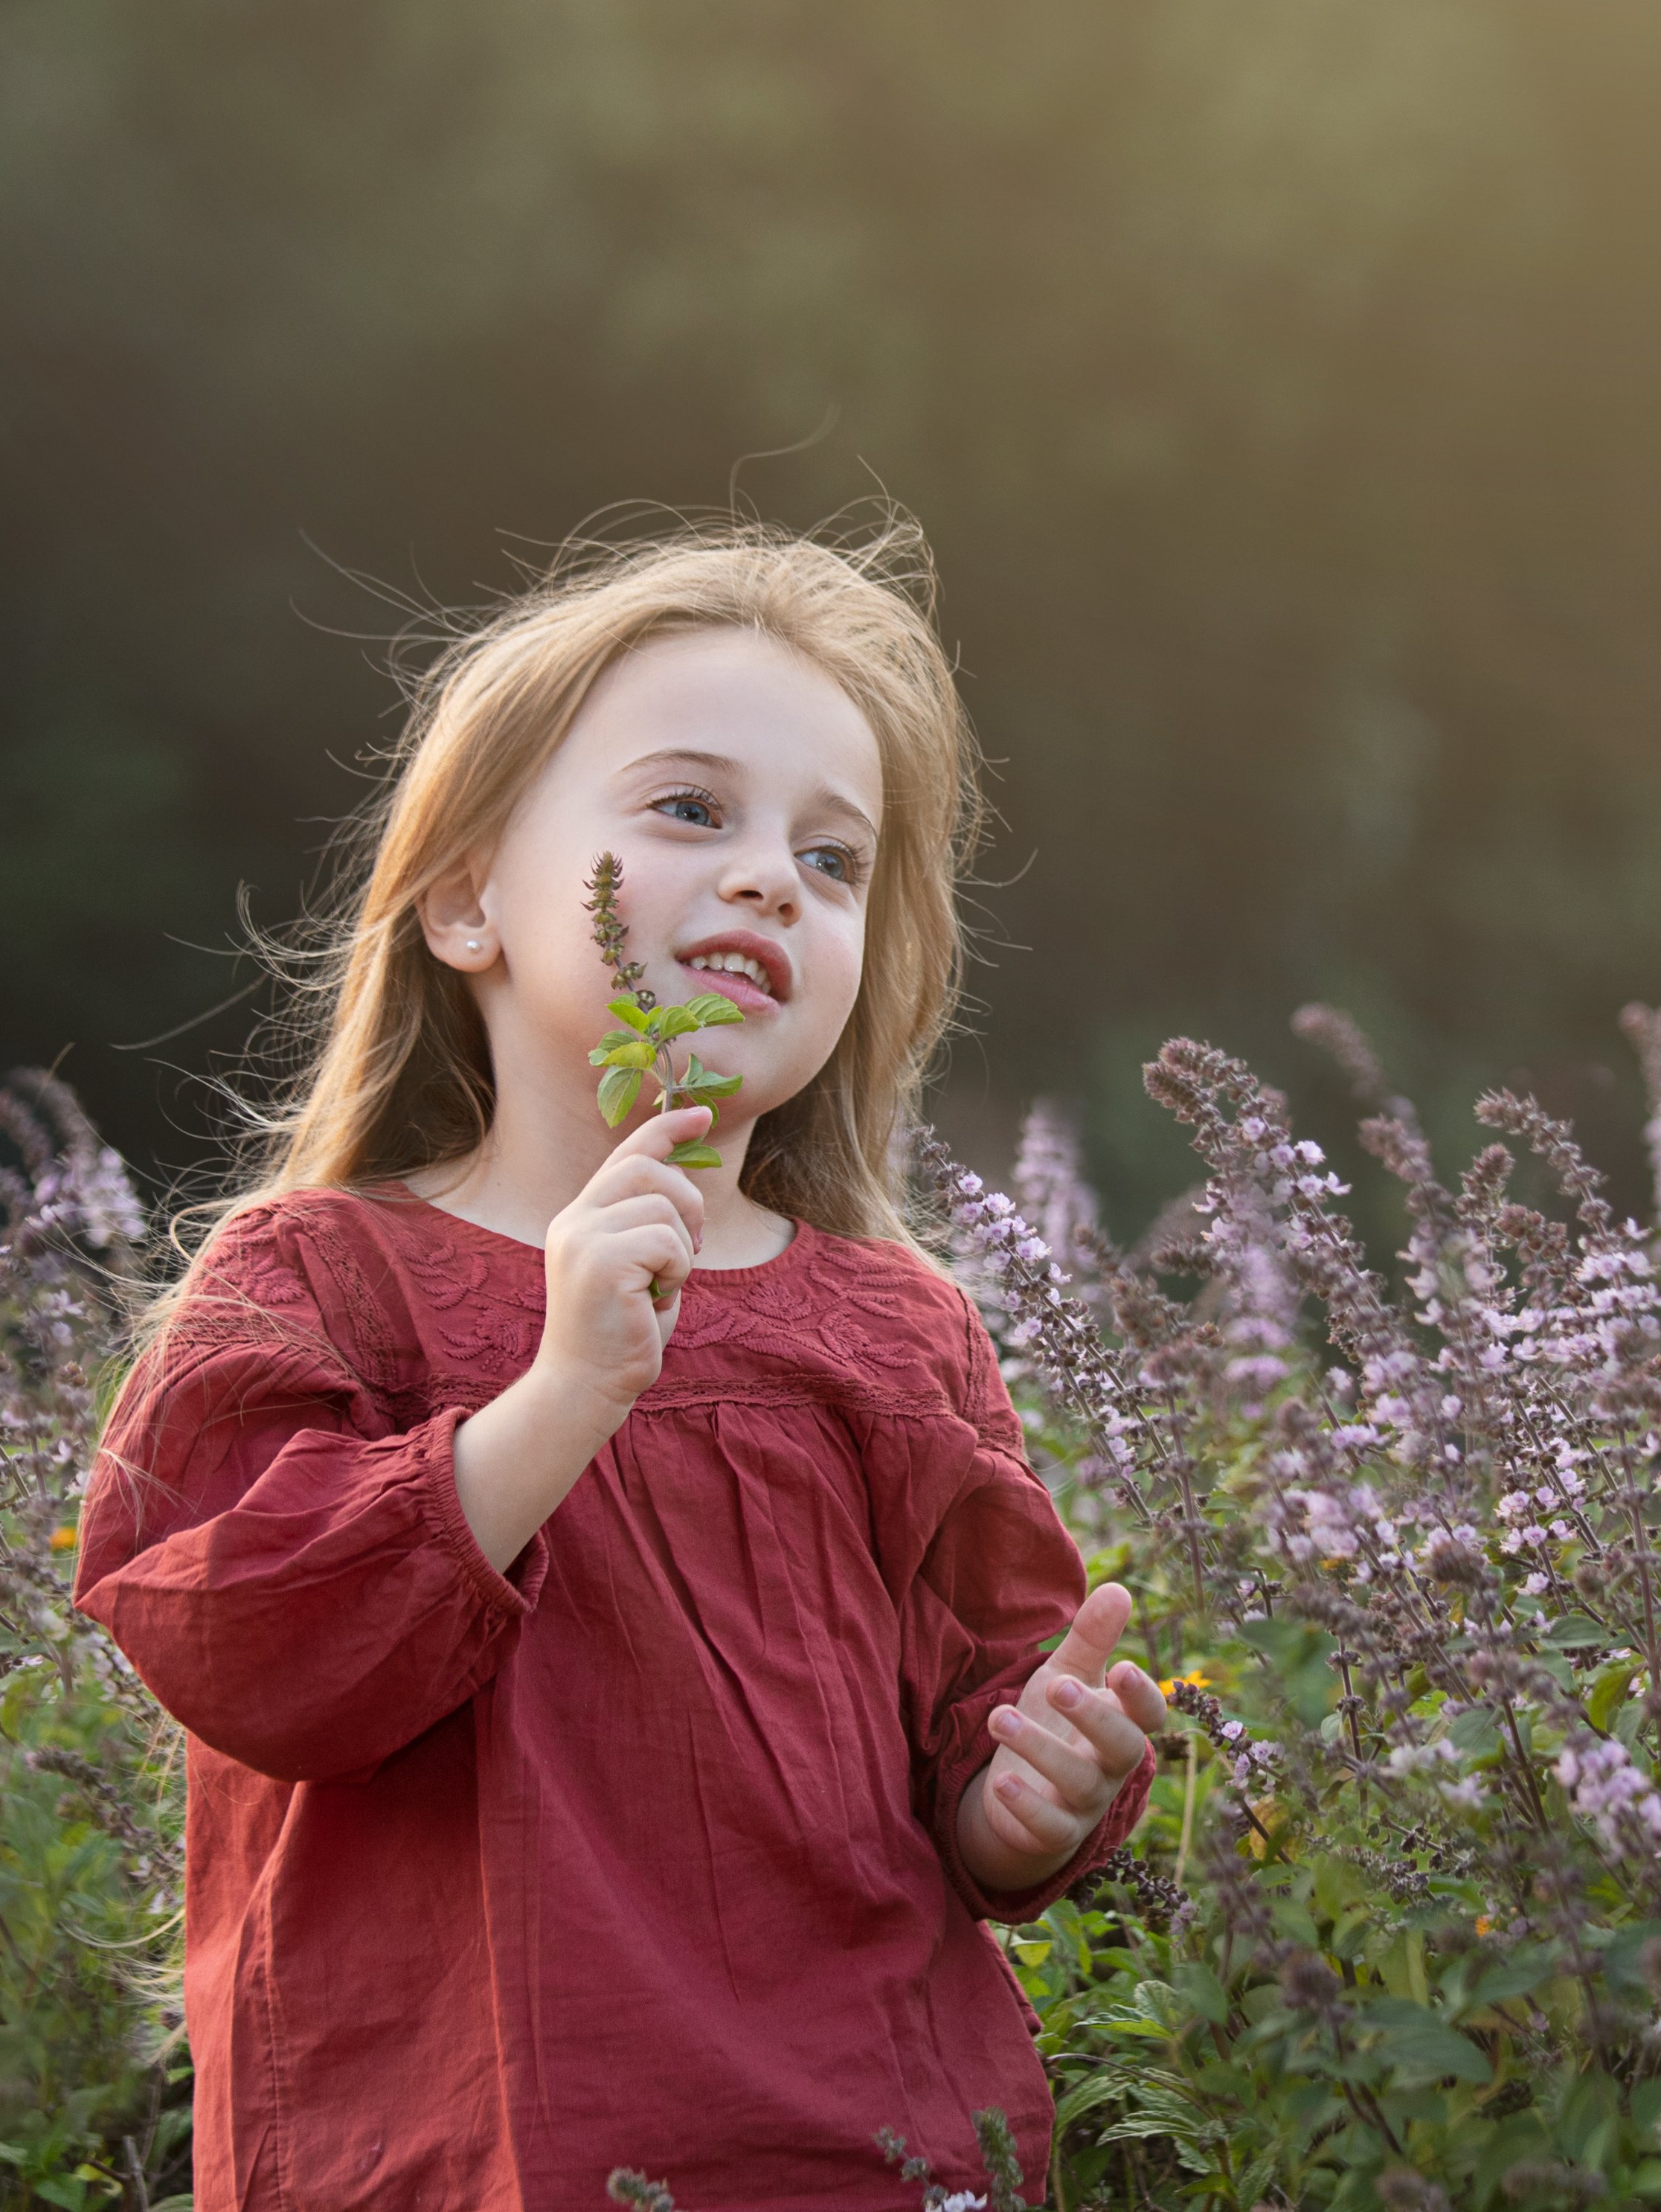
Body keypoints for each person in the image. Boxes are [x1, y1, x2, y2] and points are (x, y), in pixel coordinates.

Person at [74, 517, 1166, 2207]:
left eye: (833, 857)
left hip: (864, 2155)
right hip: (468, 2154)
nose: (770, 877)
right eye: (690, 810)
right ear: (465, 899)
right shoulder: (320, 1280)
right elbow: (244, 1644)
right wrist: (562, 1390)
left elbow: (971, 1730)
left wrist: (1025, 1800)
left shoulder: (894, 1330)